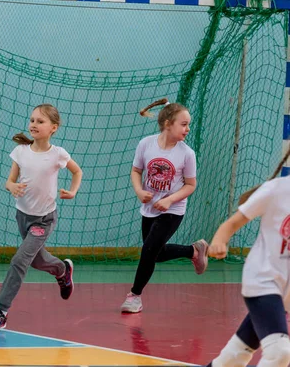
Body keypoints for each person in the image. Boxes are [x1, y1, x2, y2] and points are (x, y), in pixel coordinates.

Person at [0, 103, 83, 331]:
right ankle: (62, 270)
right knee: (35, 259)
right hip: (23, 216)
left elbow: (77, 171)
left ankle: (1, 312)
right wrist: (12, 187)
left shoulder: (58, 154)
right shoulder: (20, 152)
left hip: (44, 219)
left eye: (40, 121)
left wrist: (73, 190)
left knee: (19, 261)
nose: (34, 124)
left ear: (53, 128)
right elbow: (9, 181)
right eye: (32, 120)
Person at [121, 98, 208, 314]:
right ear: (168, 123)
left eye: (189, 124)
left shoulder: (187, 153)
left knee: (148, 250)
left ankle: (135, 296)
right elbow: (136, 171)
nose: (188, 129)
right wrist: (139, 191)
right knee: (156, 254)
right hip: (150, 207)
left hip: (173, 209)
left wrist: (170, 200)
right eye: (184, 124)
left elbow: (190, 185)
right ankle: (193, 251)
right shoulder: (146, 144)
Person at [206, 148, 290, 367]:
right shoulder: (276, 190)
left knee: (234, 357)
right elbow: (232, 223)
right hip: (263, 280)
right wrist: (219, 240)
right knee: (280, 353)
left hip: (286, 294)